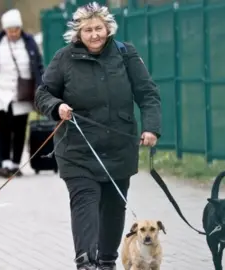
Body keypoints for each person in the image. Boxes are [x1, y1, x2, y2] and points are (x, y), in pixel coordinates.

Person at [34, 2, 161, 270]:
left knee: (114, 208)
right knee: (85, 202)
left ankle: (106, 261)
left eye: (99, 28)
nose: (94, 35)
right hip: (78, 149)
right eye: (88, 30)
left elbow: (147, 93)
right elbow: (42, 94)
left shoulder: (125, 54)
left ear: (108, 29)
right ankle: (85, 262)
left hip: (119, 147)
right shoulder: (64, 58)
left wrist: (151, 127)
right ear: (78, 33)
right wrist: (57, 107)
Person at [0, 9, 44, 178]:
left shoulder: (29, 43)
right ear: (4, 29)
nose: (13, 33)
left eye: (16, 29)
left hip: (22, 92)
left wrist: (41, 87)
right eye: (10, 30)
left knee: (21, 127)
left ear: (20, 28)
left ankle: (16, 163)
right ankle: (5, 162)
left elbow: (37, 65)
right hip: (2, 91)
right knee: (5, 127)